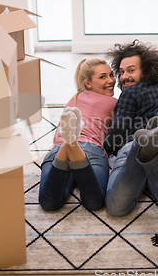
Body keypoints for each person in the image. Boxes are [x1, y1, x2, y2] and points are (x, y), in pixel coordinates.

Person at [103, 39, 158, 217]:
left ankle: (140, 145)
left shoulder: (129, 93)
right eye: (121, 72)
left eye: (131, 70)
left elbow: (117, 137)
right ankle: (151, 148)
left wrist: (105, 145)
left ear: (147, 70)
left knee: (116, 207)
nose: (124, 76)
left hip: (129, 149)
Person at [39, 57, 117, 211]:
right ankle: (72, 144)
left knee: (49, 203)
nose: (111, 80)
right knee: (94, 203)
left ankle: (69, 143)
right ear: (88, 83)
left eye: (111, 74)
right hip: (91, 148)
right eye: (103, 77)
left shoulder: (73, 100)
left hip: (58, 149)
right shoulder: (114, 102)